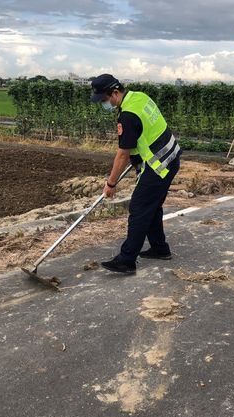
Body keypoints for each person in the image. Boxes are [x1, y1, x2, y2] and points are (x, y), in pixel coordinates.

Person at [90, 74, 181, 274]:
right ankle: (159, 248)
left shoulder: (128, 115)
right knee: (152, 206)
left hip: (159, 165)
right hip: (171, 156)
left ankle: (127, 259)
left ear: (115, 92)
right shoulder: (139, 96)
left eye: (104, 100)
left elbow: (122, 154)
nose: (104, 104)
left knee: (139, 208)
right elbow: (147, 131)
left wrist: (111, 184)